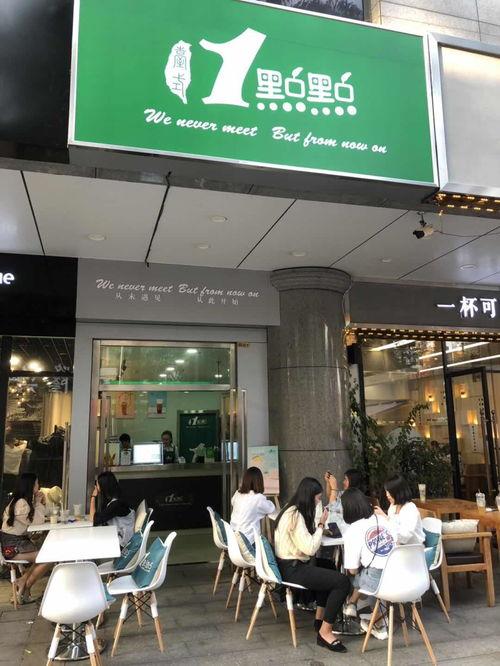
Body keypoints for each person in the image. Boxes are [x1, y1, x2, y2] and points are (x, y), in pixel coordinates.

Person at [274, 477, 350, 653]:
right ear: (309, 497)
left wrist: (318, 529)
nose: (318, 502)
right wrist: (321, 525)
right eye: (317, 498)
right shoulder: (295, 516)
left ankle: (319, 620)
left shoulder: (290, 510)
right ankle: (325, 632)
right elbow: (310, 548)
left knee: (328, 566)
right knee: (342, 582)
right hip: (293, 569)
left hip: (288, 564)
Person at [341, 488, 395, 638]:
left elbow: (352, 570)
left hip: (379, 583)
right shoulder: (383, 519)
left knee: (360, 574)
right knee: (373, 569)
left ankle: (377, 623)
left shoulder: (352, 530)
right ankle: (358, 606)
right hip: (401, 576)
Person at [0, 473, 51, 604]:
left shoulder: (22, 501)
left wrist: (41, 502)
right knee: (47, 558)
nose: (38, 486)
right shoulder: (21, 503)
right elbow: (38, 521)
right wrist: (38, 503)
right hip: (12, 547)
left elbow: (43, 515)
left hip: (17, 544)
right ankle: (25, 585)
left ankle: (23, 582)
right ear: (31, 485)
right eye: (36, 483)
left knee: (44, 556)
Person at [375, 474, 425, 545]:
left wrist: (384, 517)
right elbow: (392, 526)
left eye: (389, 492)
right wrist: (382, 516)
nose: (387, 495)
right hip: (398, 545)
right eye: (386, 491)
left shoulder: (410, 509)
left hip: (413, 548)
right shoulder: (393, 506)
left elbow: (404, 536)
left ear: (398, 492)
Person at [230, 467, 275, 543]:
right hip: (248, 541)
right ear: (259, 482)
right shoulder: (258, 498)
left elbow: (232, 502)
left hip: (232, 538)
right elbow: (271, 509)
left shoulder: (237, 493)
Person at [90, 471, 135, 546]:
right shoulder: (117, 497)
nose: (96, 487)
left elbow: (93, 519)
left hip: (122, 542)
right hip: (118, 534)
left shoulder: (116, 504)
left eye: (97, 485)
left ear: (103, 486)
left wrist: (93, 496)